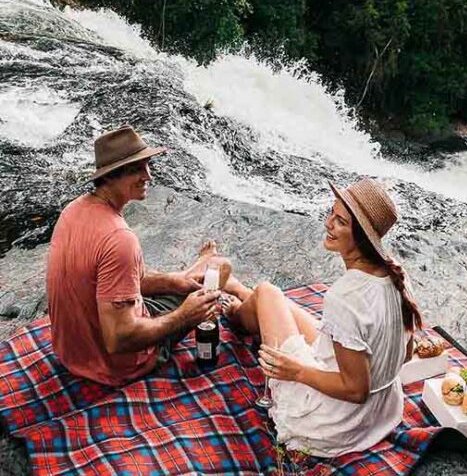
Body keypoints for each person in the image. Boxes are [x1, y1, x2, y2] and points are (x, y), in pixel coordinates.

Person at [223, 178, 422, 458]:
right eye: (332, 212)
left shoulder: (346, 296)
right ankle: (241, 292)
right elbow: (405, 355)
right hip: (381, 413)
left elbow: (355, 390)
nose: (328, 223)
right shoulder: (397, 275)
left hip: (333, 423)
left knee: (268, 292)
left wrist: (296, 372)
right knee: (275, 300)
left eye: (340, 221)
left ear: (362, 237)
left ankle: (235, 312)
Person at [46, 124, 226, 386]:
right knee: (221, 268)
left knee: (192, 280)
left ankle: (190, 272)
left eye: (147, 165)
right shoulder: (119, 239)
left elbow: (114, 280)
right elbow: (119, 338)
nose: (148, 176)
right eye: (136, 170)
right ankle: (203, 267)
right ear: (109, 177)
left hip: (72, 355)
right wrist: (186, 316)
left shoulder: (72, 211)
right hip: (116, 366)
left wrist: (172, 282)